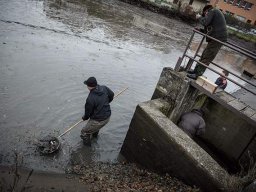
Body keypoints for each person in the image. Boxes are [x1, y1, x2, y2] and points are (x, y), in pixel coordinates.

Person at [187, 5, 228, 80]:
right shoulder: (213, 14)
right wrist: (200, 30)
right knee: (204, 54)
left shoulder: (213, 11)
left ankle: (197, 75)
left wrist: (199, 17)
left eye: (205, 14)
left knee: (207, 56)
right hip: (215, 38)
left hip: (218, 39)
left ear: (206, 11)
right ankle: (195, 71)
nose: (205, 15)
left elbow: (205, 22)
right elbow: (208, 30)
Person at [81, 77, 114, 146]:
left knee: (84, 132)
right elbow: (112, 94)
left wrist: (84, 118)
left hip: (99, 120)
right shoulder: (104, 88)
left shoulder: (90, 98)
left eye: (87, 85)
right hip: (108, 116)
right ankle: (95, 138)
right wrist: (107, 102)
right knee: (94, 126)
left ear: (89, 87)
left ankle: (87, 151)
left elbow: (87, 114)